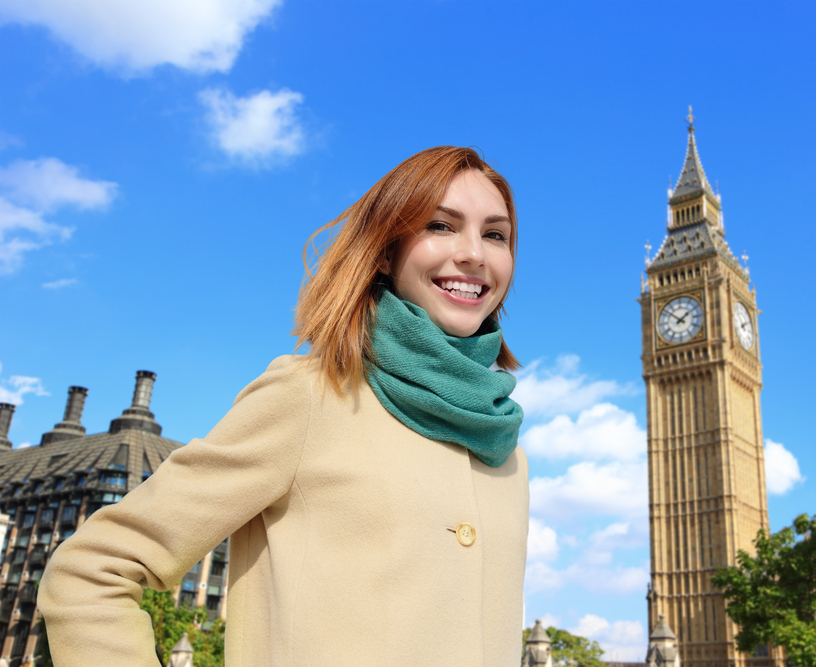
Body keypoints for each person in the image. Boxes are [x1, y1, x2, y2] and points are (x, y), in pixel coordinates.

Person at [38, 146, 529, 667]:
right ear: (385, 252)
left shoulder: (507, 452)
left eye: (495, 234)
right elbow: (91, 570)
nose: (475, 253)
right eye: (441, 225)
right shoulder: (310, 397)